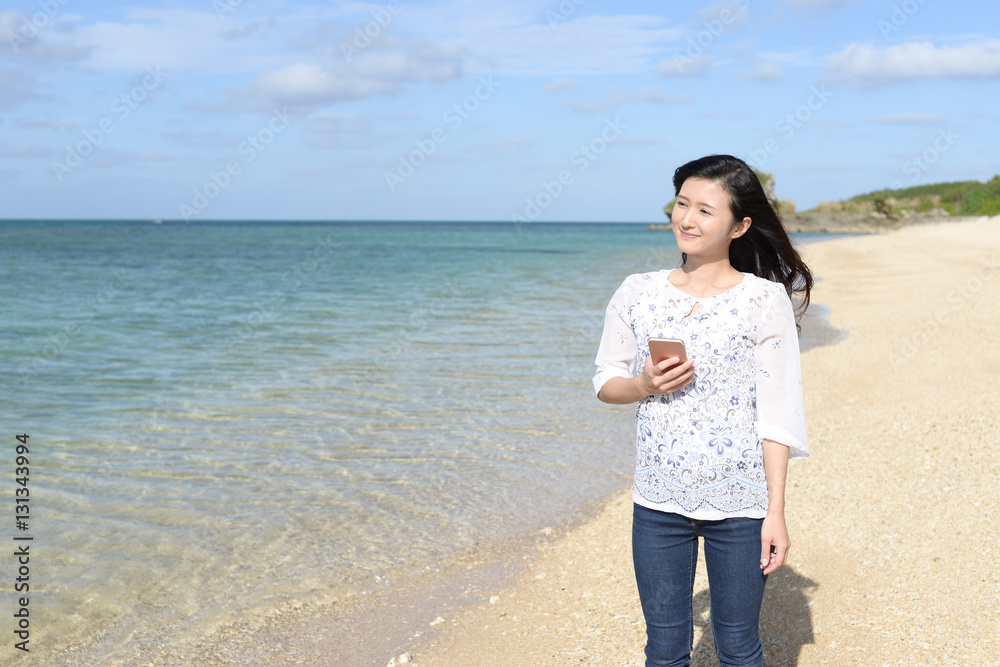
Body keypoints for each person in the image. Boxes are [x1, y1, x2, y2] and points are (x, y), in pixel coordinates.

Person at [592, 154, 812, 667]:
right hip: (657, 500)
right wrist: (644, 384)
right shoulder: (637, 291)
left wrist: (775, 511)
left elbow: (777, 412)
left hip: (739, 503)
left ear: (740, 225)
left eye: (704, 211)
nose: (686, 219)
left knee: (738, 648)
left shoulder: (763, 300)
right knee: (665, 650)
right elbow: (605, 383)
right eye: (681, 204)